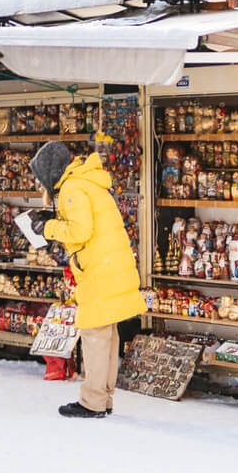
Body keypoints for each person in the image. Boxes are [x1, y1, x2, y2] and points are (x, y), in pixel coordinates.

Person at [29, 140, 142, 419]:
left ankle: (92, 402)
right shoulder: (87, 182)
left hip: (99, 268)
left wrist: (48, 228)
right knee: (106, 334)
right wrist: (55, 218)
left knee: (94, 333)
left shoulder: (71, 188)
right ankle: (103, 399)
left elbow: (80, 230)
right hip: (111, 265)